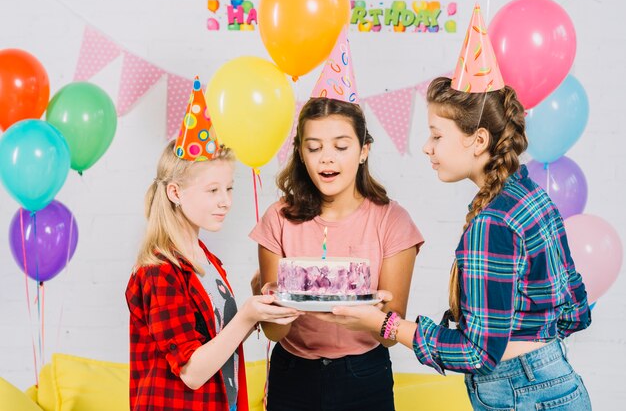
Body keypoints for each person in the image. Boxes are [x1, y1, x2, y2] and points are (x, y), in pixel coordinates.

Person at [319, 73, 593, 409]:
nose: (426, 147)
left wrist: (384, 324)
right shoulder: (532, 195)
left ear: (478, 140)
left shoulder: (492, 223)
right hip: (559, 384)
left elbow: (475, 353)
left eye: (436, 135)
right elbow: (575, 311)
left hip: (521, 394)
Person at [250, 95, 424, 411]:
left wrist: (367, 313)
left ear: (363, 151)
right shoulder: (278, 218)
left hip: (364, 373)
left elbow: (388, 334)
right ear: (301, 153)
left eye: (341, 147)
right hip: (292, 372)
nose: (326, 159)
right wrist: (269, 302)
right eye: (314, 148)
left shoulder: (392, 221)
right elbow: (275, 332)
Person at [125, 123, 302, 409]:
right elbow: (192, 372)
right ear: (175, 192)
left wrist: (259, 305)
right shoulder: (160, 270)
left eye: (229, 188)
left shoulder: (205, 260)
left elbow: (219, 344)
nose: (226, 202)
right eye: (213, 190)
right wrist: (247, 314)